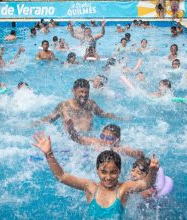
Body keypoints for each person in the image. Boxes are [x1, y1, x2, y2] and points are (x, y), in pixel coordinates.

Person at [31, 132, 159, 219]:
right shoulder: (91, 188)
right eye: (103, 172)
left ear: (119, 171)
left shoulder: (123, 189)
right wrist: (49, 153)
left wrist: (152, 171)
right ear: (97, 171)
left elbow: (147, 183)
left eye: (113, 172)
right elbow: (62, 176)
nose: (108, 177)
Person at [41, 79, 123, 132]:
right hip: (70, 143)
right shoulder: (64, 106)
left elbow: (103, 114)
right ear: (73, 91)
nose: (84, 95)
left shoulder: (91, 105)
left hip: (88, 142)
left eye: (86, 92)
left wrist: (120, 118)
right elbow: (49, 119)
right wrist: (34, 124)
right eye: (81, 92)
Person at [66, 121, 143, 158]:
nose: (104, 140)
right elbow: (76, 138)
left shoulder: (119, 149)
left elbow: (137, 154)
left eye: (109, 138)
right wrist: (70, 128)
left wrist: (137, 153)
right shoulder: (96, 142)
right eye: (102, 136)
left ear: (117, 140)